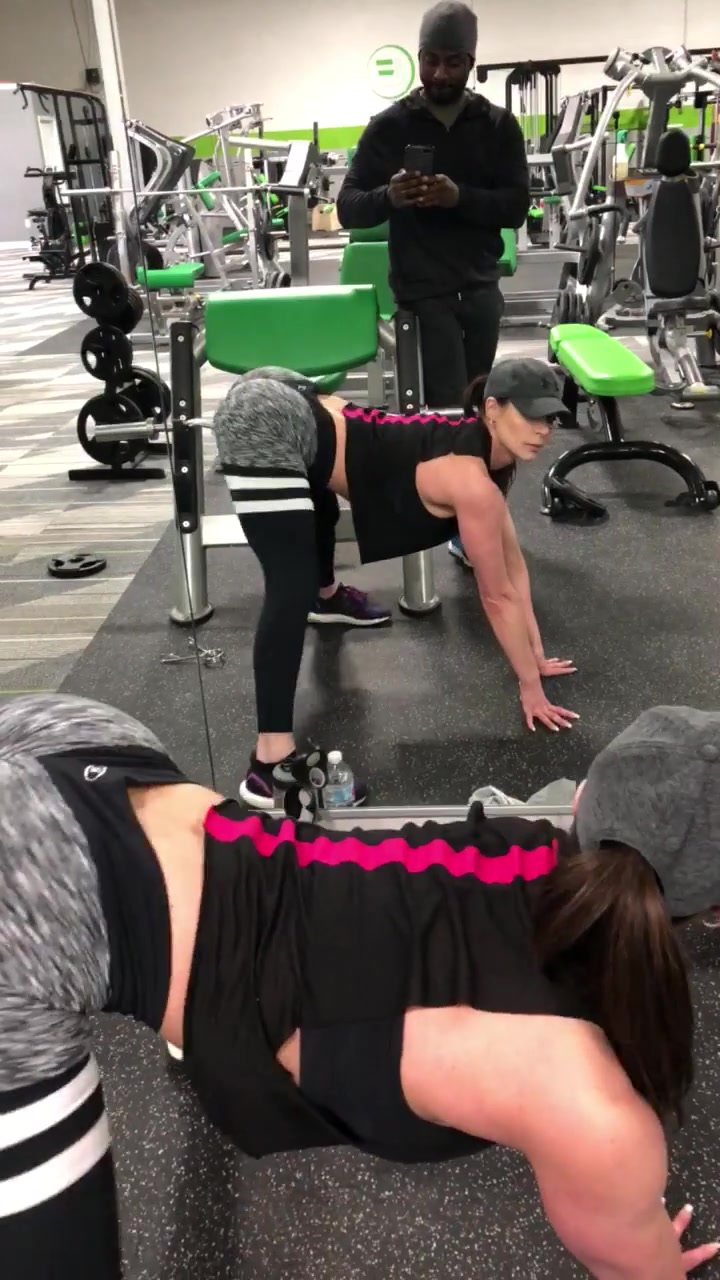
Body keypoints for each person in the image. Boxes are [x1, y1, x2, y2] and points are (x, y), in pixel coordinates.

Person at [1, 692, 719, 1279]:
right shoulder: (597, 1117)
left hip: (89, 743)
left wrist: (626, 1224)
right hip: (35, 902)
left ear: (584, 802)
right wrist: (634, 1238)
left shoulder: (525, 846)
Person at [213, 359, 577, 808]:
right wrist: (529, 688)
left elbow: (513, 567)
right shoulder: (473, 482)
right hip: (266, 419)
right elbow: (497, 596)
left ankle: (327, 598)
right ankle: (269, 766)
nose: (542, 430)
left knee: (317, 511)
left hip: (305, 408)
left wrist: (535, 656)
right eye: (530, 415)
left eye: (549, 418)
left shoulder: (485, 456)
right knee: (291, 585)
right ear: (491, 410)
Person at [336, 0, 531, 571]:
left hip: (479, 287)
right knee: (445, 411)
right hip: (423, 291)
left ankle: (475, 513)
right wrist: (390, 196)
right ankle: (458, 521)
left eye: (453, 62)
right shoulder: (389, 126)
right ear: (418, 58)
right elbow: (348, 207)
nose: (440, 73)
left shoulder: (498, 126)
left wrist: (458, 197)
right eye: (431, 60)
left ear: (471, 62)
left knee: (483, 410)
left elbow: (516, 207)